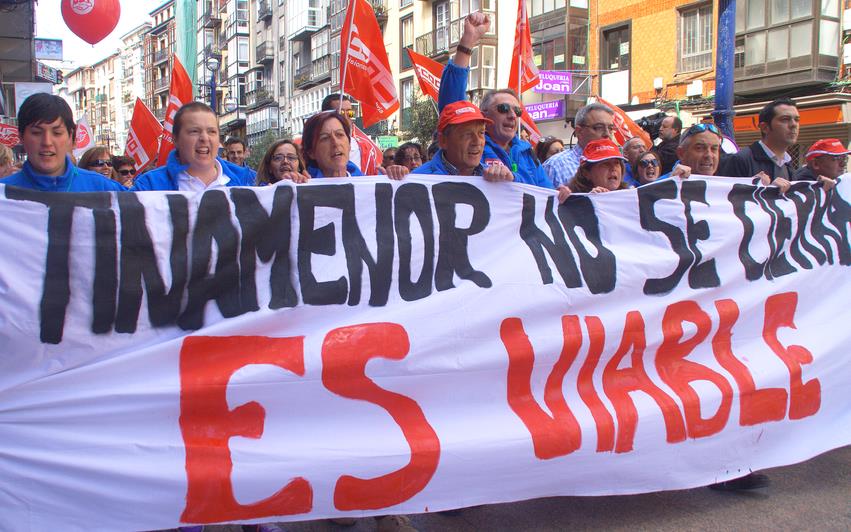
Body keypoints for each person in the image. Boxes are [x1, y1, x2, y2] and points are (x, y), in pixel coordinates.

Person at [435, 12, 552, 189]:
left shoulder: (527, 153)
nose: (513, 115)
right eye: (504, 108)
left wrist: (563, 194)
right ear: (484, 115)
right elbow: (452, 105)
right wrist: (468, 41)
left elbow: (547, 195)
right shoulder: (473, 150)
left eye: (517, 111)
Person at [0, 93, 125, 192]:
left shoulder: (103, 188)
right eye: (37, 133)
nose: (47, 142)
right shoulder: (4, 195)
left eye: (57, 133)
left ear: (72, 137)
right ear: (21, 136)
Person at [132, 101, 254, 191]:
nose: (204, 138)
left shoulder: (249, 181)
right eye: (194, 131)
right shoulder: (149, 186)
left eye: (211, 132)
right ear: (175, 139)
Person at [413, 100, 513, 183]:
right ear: (443, 141)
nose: (477, 141)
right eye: (467, 134)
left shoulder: (496, 178)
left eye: (481, 133)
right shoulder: (417, 180)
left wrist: (512, 179)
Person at [719, 98, 798, 181]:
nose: (794, 124)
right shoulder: (740, 160)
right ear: (765, 127)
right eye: (785, 119)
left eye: (797, 120)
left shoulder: (788, 165)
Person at [544, 102, 615, 188]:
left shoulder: (617, 163)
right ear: (579, 131)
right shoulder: (555, 166)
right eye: (599, 127)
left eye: (611, 128)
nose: (607, 134)